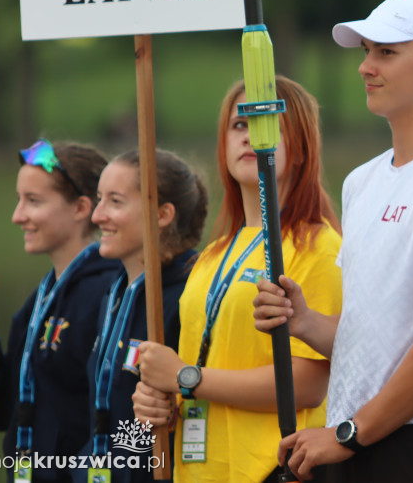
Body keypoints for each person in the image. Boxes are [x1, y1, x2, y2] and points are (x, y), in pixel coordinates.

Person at [254, 0, 413, 482]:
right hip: (355, 439)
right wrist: (306, 322)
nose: (365, 66)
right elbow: (376, 340)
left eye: (386, 52)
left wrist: (349, 433)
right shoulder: (361, 180)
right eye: (365, 51)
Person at [132, 76, 342, 483]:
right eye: (238, 125)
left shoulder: (319, 246)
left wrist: (188, 378)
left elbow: (308, 384)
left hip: (272, 469)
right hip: (198, 470)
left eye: (268, 125)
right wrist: (161, 397)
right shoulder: (211, 256)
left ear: (300, 147)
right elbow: (193, 369)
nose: (249, 137)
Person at [0, 140, 120, 483]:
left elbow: (120, 418)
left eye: (33, 201)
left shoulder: (112, 294)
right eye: (19, 200)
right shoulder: (36, 304)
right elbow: (7, 410)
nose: (17, 216)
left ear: (81, 207)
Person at [72, 149, 207, 483]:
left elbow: (204, 410)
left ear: (162, 214)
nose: (97, 215)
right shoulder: (114, 294)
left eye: (115, 202)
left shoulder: (191, 295)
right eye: (99, 199)